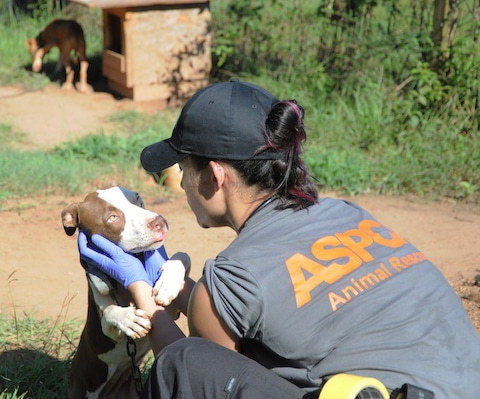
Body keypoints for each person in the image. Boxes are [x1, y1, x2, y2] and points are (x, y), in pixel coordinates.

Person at [78, 78, 480, 398]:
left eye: (184, 168)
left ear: (216, 176)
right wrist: (184, 290)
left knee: (185, 361)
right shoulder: (350, 214)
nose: (182, 182)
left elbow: (192, 373)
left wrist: (139, 290)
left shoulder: (235, 277)